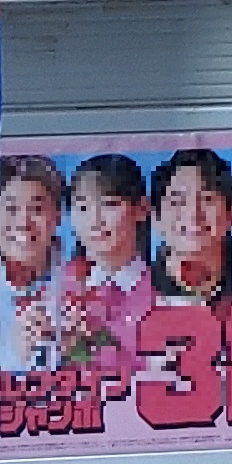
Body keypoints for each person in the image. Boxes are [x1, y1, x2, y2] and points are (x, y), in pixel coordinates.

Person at [55, 151, 156, 370]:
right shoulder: (56, 288)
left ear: (141, 209)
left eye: (109, 204)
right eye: (82, 208)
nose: (95, 221)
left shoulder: (165, 292)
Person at [0, 153, 68, 376]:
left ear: (57, 216)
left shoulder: (81, 274)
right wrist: (14, 353)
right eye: (11, 208)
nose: (24, 223)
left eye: (36, 209)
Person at [148, 146, 232, 306]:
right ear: (156, 217)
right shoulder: (136, 292)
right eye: (177, 201)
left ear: (231, 213)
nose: (193, 213)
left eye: (207, 199)